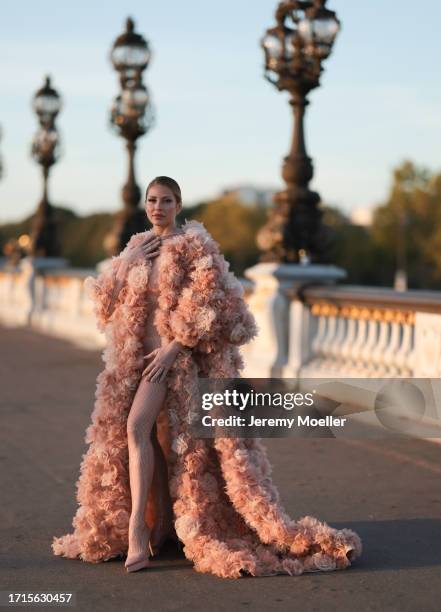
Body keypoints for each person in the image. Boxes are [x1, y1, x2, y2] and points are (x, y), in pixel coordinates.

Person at [52, 176, 362, 578]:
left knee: (136, 427)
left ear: (178, 204)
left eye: (165, 200)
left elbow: (215, 305)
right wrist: (126, 263)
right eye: (151, 200)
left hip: (169, 364)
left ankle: (136, 532)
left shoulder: (195, 246)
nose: (157, 207)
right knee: (153, 441)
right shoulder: (137, 246)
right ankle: (160, 524)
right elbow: (105, 304)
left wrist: (173, 347)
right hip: (131, 363)